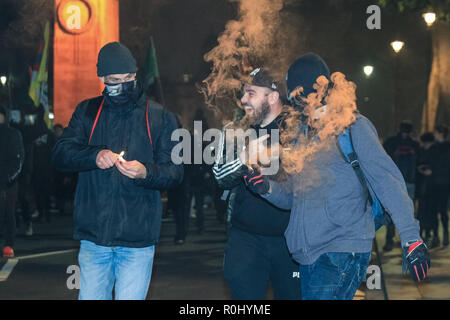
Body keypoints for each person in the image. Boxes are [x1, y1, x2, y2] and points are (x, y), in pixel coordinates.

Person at [243, 53, 430, 300]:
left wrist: (411, 238)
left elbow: (387, 180)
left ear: (314, 92)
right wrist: (266, 188)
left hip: (341, 248)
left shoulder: (352, 126)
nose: (293, 104)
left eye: (297, 95)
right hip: (309, 253)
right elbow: (293, 196)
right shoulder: (301, 135)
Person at [52, 42, 183, 300]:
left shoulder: (158, 115)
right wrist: (94, 155)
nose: (123, 85)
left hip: (137, 240)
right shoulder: (87, 111)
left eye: (129, 78)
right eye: (115, 80)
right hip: (95, 238)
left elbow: (175, 172)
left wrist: (146, 172)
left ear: (135, 75)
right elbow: (60, 154)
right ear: (102, 78)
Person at [212, 68, 301, 300]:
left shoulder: (297, 129)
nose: (243, 100)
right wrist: (243, 160)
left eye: (251, 93)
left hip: (291, 243)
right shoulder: (234, 131)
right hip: (245, 240)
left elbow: (311, 182)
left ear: (272, 97)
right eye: (243, 93)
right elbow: (220, 177)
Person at [382, 121, 420, 251]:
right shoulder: (415, 145)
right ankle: (410, 242)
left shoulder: (390, 143)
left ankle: (389, 239)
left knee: (391, 212)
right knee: (408, 213)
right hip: (409, 181)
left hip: (394, 182)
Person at [0, 104, 24, 258]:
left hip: (8, 181)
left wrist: (10, 177)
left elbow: (19, 158)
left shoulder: (13, 134)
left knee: (8, 212)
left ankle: (9, 244)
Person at [428, 125, 450, 246]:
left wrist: (431, 171)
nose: (434, 135)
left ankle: (438, 236)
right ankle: (442, 235)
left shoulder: (435, 148)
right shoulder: (437, 147)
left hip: (438, 181)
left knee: (437, 210)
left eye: (436, 132)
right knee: (440, 210)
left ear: (441, 133)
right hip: (442, 182)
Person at [416, 132, 435, 244]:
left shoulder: (421, 151)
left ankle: (424, 232)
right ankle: (427, 232)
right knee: (427, 211)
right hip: (429, 186)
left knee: (423, 211)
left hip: (424, 186)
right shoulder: (433, 151)